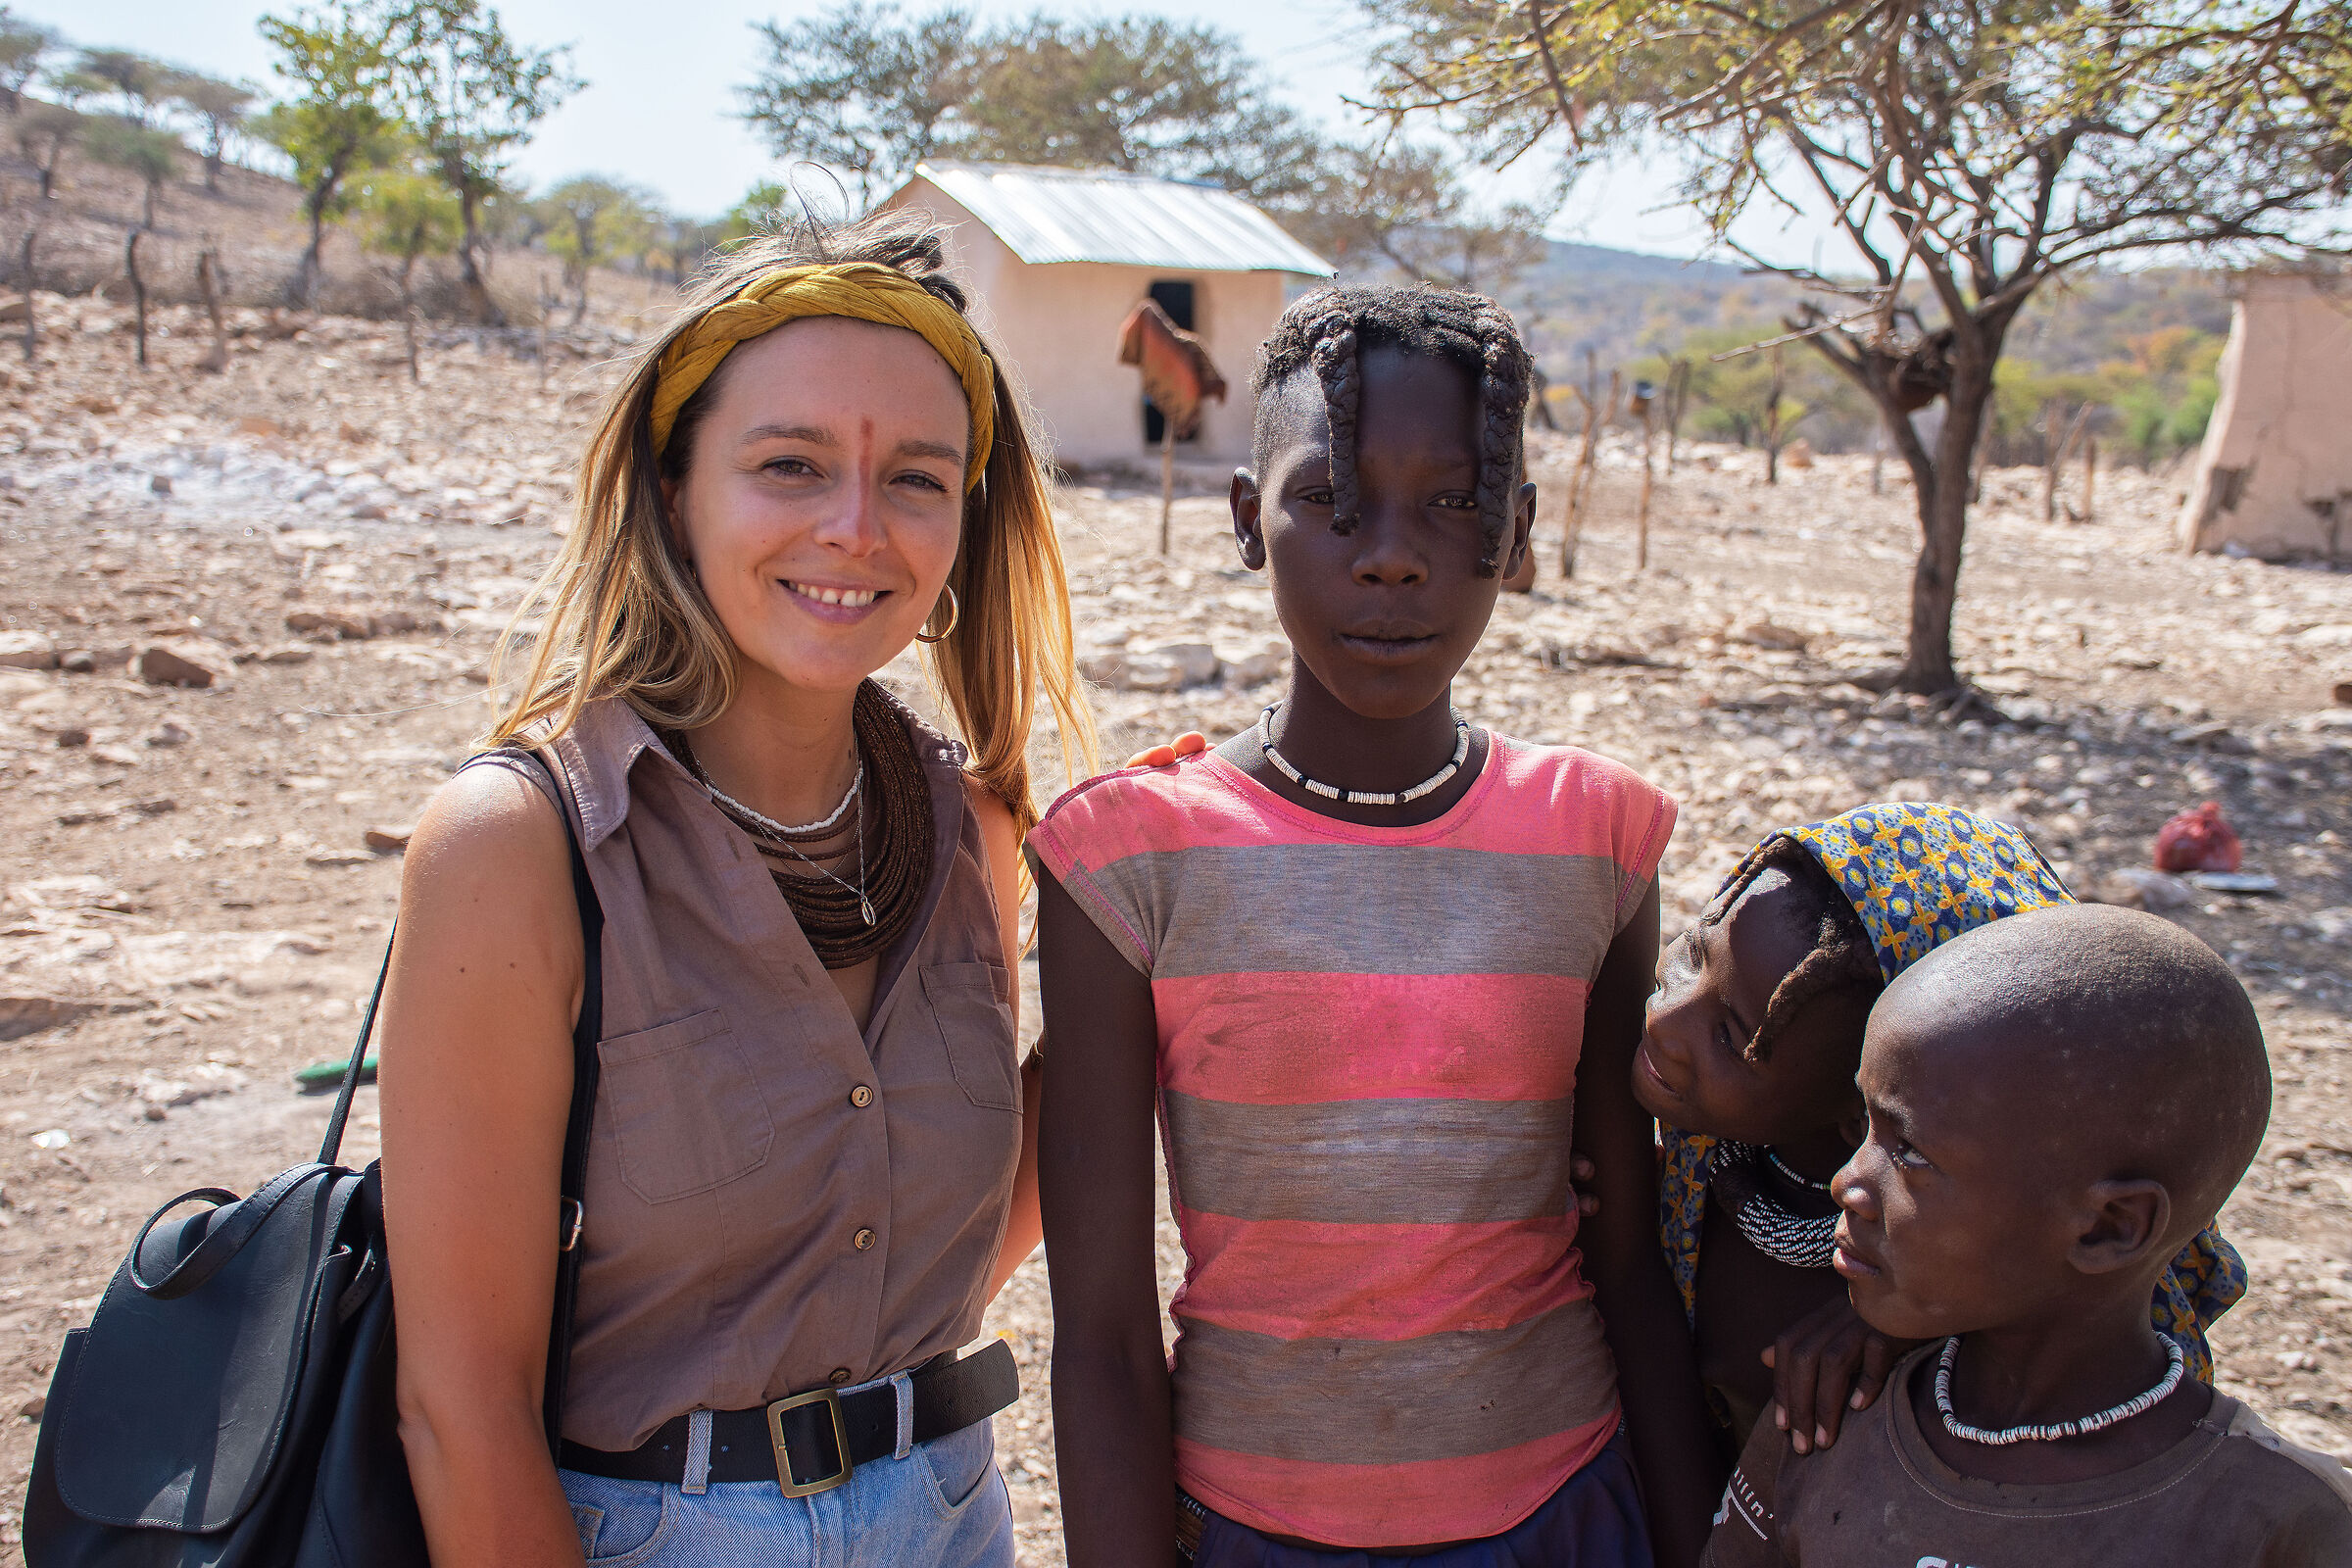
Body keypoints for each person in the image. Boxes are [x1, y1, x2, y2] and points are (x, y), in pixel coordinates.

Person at [377, 213, 1094, 1568]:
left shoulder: (970, 836)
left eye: (919, 480)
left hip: (947, 1517)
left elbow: (914, 1256)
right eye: (790, 464)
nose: (855, 528)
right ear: (672, 490)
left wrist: (1156, 930)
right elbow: (455, 1408)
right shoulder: (522, 848)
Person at [1030, 283, 1720, 1568]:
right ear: (1248, 520)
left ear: (1514, 536)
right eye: (1332, 500)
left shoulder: (1595, 839)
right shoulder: (1128, 864)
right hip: (1255, 1525)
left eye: (1452, 504)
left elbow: (1631, 1263)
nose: (1391, 554)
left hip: (1565, 1513)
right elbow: (1108, 1338)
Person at [1705, 904, 2352, 1565]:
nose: (1848, 1182)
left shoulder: (2273, 1524)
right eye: (1865, 1129)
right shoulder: (1826, 1422)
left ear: (2107, 1229)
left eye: (1911, 1154)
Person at [1636, 805, 2244, 1458]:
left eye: (1733, 1037)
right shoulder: (1695, 1165)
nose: (1666, 1023)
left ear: (1865, 1086)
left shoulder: (1985, 1277)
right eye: (1695, 953)